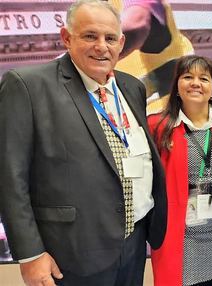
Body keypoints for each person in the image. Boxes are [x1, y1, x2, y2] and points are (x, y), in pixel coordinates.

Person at [0, 1, 167, 285]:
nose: (101, 46)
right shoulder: (27, 85)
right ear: (66, 37)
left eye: (110, 38)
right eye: (90, 36)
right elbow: (9, 176)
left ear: (121, 42)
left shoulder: (131, 87)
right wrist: (30, 254)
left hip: (134, 242)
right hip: (72, 253)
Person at [147, 55, 212, 286]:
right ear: (177, 86)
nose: (196, 83)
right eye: (188, 77)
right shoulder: (157, 126)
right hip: (180, 237)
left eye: (203, 78)